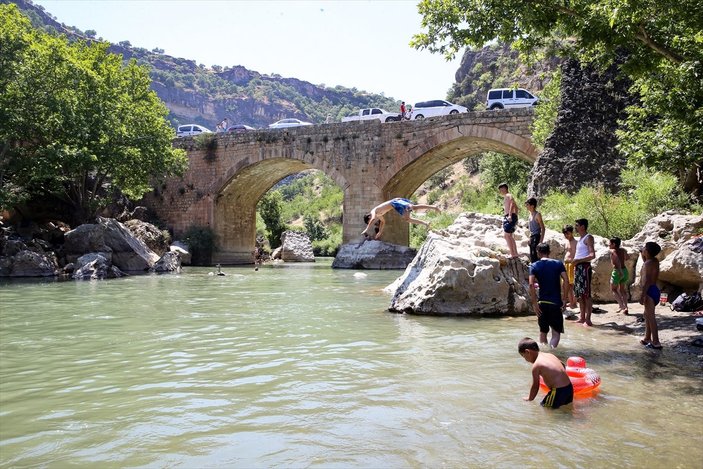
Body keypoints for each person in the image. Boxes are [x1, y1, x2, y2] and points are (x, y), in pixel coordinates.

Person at [529, 243, 569, 348]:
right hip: (555, 303)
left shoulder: (534, 266)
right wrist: (564, 299)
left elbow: (531, 284)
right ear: (549, 252)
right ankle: (552, 352)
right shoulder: (558, 264)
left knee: (543, 332)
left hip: (542, 303)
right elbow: (566, 281)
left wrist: (534, 303)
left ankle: (544, 355)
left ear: (538, 253)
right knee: (556, 334)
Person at [518, 338, 573, 409]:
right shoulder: (549, 355)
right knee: (565, 410)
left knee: (545, 408)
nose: (525, 359)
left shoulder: (536, 365)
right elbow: (563, 366)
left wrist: (530, 398)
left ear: (527, 352)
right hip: (569, 388)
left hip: (558, 391)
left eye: (523, 356)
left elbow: (535, 386)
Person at [361, 198, 440, 240]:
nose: (373, 221)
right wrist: (380, 232)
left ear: (369, 217)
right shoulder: (378, 214)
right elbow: (383, 222)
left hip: (395, 202)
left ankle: (434, 207)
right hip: (396, 206)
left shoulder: (373, 212)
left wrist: (366, 229)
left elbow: (373, 218)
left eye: (369, 221)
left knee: (414, 207)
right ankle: (426, 223)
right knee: (407, 219)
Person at [639, 241, 662, 349]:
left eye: (644, 248)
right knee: (647, 315)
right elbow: (646, 262)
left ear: (647, 251)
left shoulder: (647, 263)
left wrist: (642, 295)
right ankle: (647, 338)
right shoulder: (654, 261)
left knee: (651, 317)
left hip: (648, 291)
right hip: (655, 290)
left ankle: (656, 341)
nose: (643, 249)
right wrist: (641, 254)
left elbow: (647, 280)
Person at [573, 218, 595, 326]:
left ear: (582, 226)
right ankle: (582, 317)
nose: (575, 227)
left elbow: (592, 255)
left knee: (586, 293)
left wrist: (578, 260)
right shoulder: (580, 239)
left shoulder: (588, 237)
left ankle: (588, 319)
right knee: (579, 294)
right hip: (578, 267)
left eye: (577, 225)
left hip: (585, 267)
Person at [609, 237, 630, 315]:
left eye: (610, 243)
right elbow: (627, 258)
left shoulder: (613, 252)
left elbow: (616, 262)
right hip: (625, 271)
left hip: (618, 272)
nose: (608, 244)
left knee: (614, 289)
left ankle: (622, 306)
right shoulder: (623, 250)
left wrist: (619, 271)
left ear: (614, 244)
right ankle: (626, 307)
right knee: (622, 290)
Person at [498, 183, 519, 258]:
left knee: (506, 235)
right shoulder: (508, 196)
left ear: (504, 188)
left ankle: (513, 254)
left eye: (501, 189)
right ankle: (515, 253)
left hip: (509, 216)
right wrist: (516, 216)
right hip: (511, 216)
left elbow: (512, 204)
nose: (500, 191)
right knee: (509, 235)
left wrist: (510, 215)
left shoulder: (508, 195)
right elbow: (516, 207)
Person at [525, 197, 545, 263]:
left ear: (532, 206)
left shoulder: (537, 215)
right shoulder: (530, 215)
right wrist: (529, 238)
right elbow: (530, 229)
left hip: (536, 237)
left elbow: (543, 228)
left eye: (527, 205)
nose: (526, 206)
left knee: (536, 255)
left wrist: (541, 241)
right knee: (532, 256)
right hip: (532, 237)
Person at [562, 225, 577, 308]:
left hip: (572, 265)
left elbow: (575, 255)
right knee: (566, 284)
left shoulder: (575, 242)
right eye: (565, 234)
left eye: (568, 234)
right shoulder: (567, 242)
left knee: (570, 285)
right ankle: (571, 301)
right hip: (566, 265)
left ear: (572, 232)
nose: (566, 235)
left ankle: (573, 302)